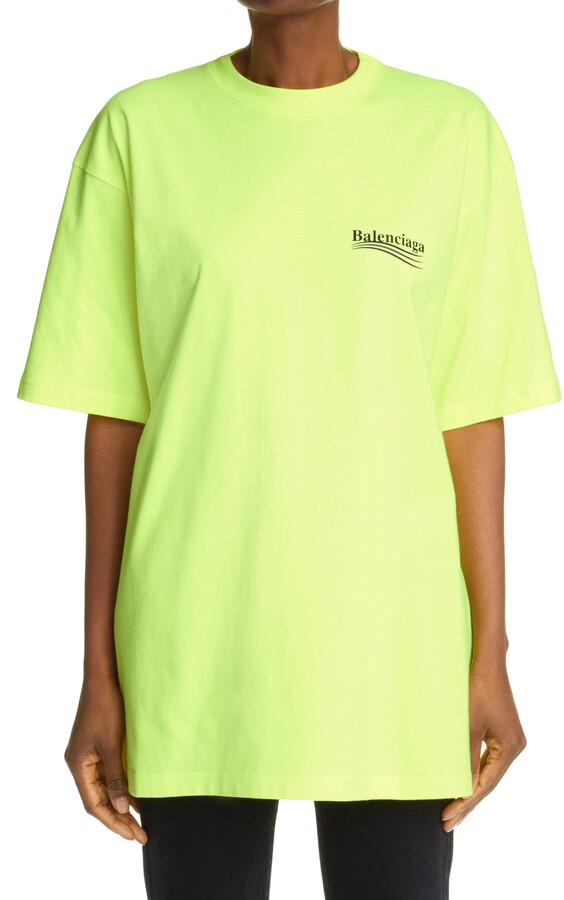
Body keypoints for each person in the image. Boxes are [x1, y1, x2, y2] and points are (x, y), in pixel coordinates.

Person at [16, 1, 561, 898]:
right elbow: (116, 419)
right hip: (193, 648)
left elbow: (470, 412)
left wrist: (491, 654)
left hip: (394, 648)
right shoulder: (139, 133)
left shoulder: (453, 133)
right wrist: (98, 673)